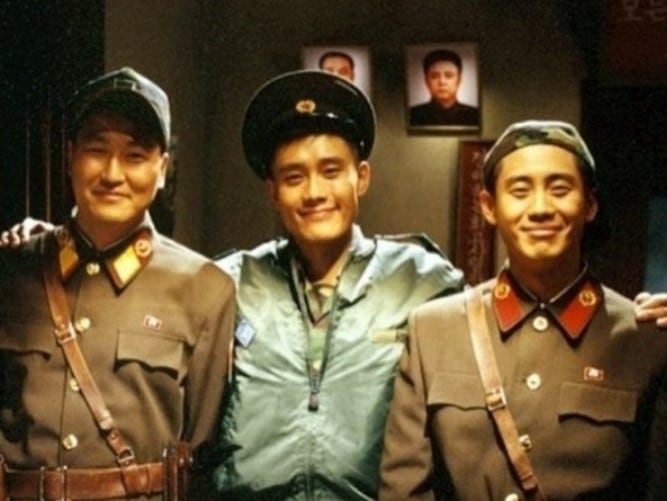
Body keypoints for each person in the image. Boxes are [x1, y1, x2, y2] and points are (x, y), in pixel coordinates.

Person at [210, 69, 465, 499]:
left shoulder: (423, 283)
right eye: (294, 177)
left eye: (331, 171)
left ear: (361, 178)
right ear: (273, 192)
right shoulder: (230, 284)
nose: (314, 192)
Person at [379, 120, 667, 499]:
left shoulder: (646, 340)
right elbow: (404, 490)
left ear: (590, 205)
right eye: (519, 191)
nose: (540, 208)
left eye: (560, 189)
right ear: (489, 207)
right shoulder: (433, 331)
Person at [0, 67, 236, 500]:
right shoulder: (13, 270)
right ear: (70, 155)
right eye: (96, 149)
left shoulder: (204, 289)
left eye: (135, 155)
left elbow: (203, 456)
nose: (112, 173)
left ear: (162, 169)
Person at [409, 48, 479, 127]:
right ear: (426, 81)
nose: (442, 82)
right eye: (434, 76)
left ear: (459, 80)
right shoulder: (412, 115)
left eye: (448, 76)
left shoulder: (474, 115)